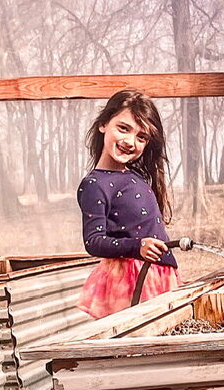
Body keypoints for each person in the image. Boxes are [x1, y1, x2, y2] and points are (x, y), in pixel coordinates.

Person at [76, 90, 181, 318]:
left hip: (159, 276)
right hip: (130, 280)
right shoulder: (95, 184)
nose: (130, 141)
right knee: (136, 346)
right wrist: (137, 247)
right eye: (123, 128)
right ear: (104, 124)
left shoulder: (138, 178)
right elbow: (93, 241)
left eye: (141, 137)